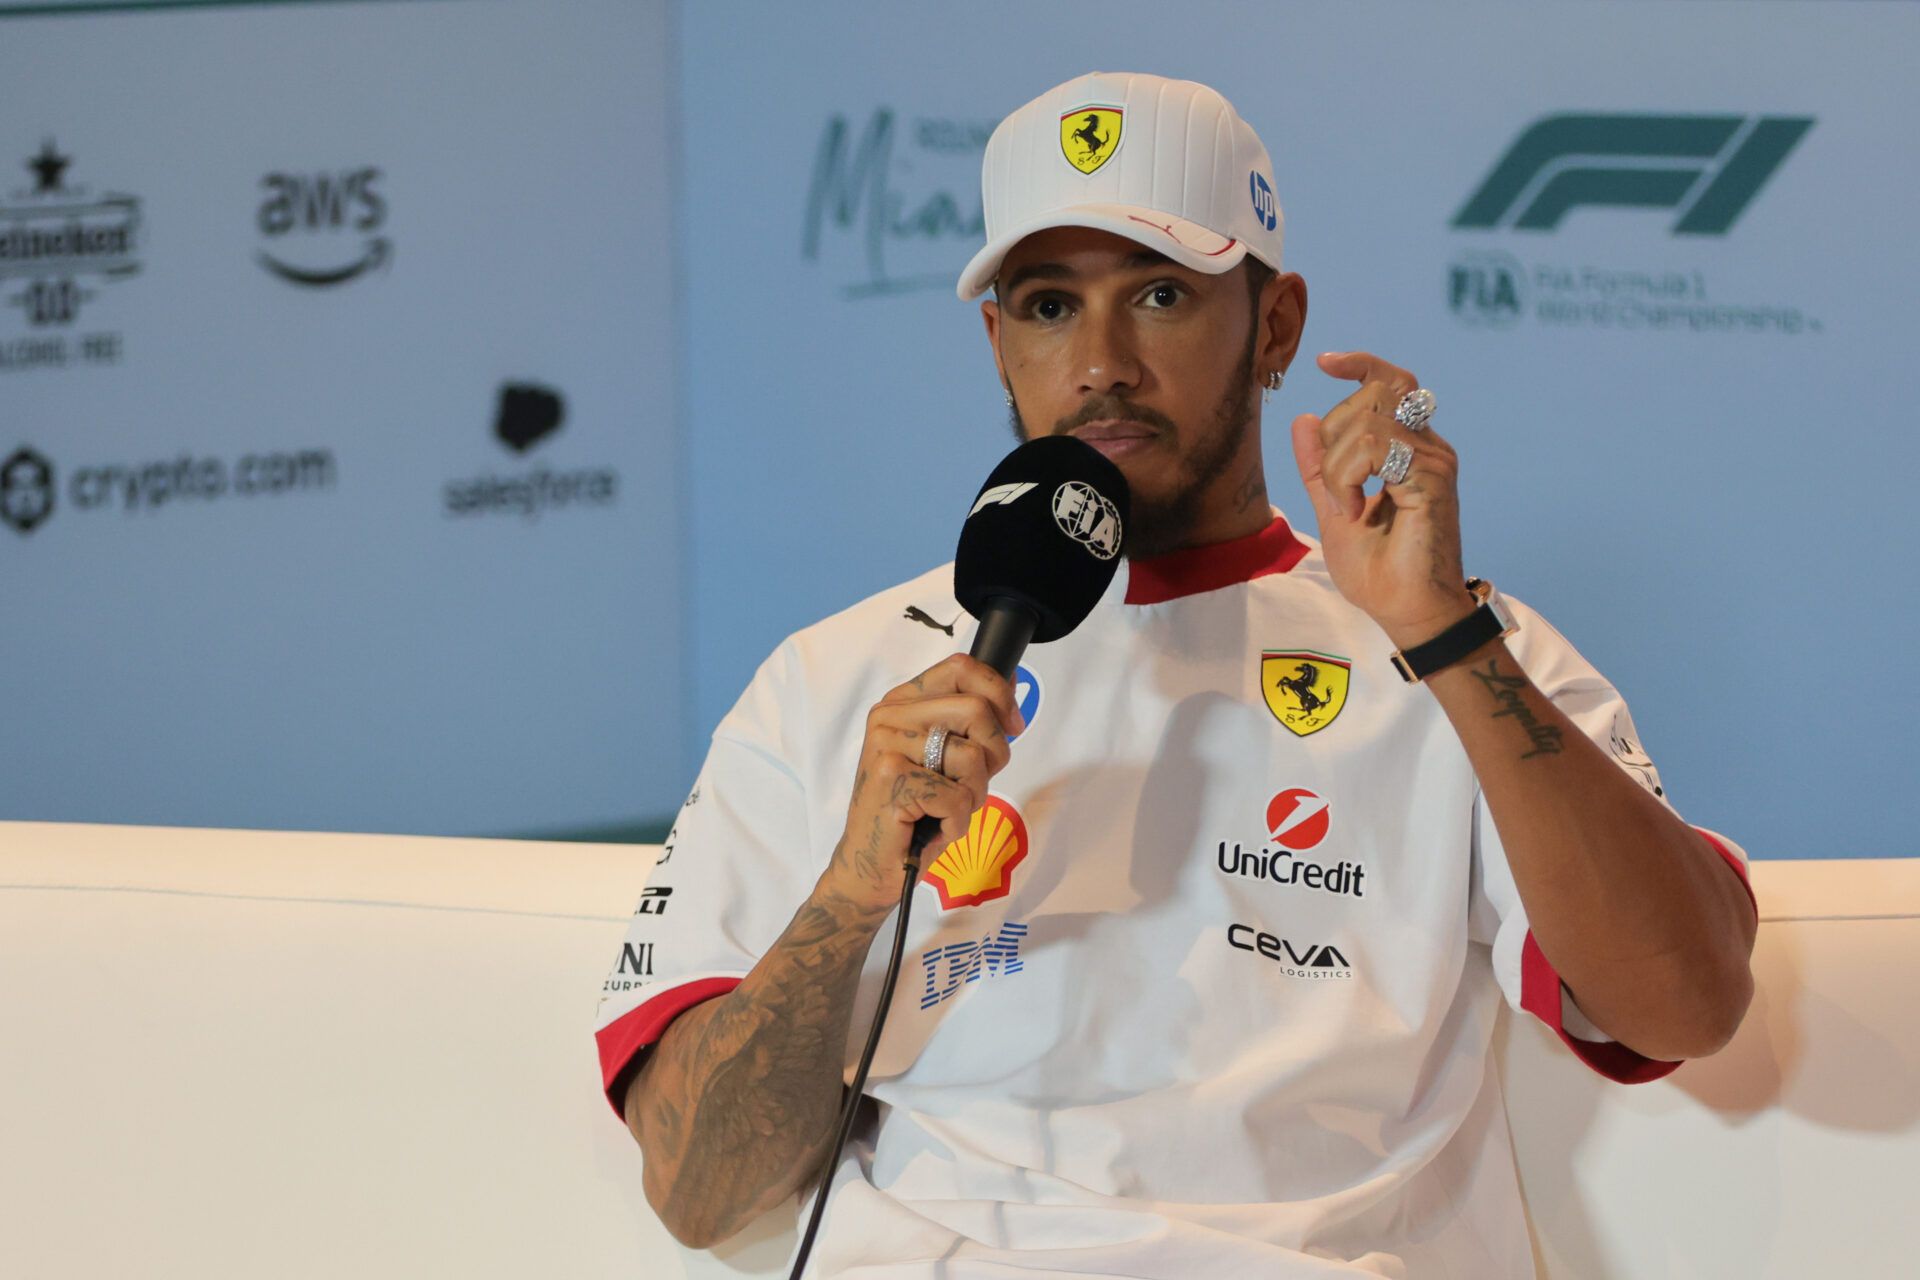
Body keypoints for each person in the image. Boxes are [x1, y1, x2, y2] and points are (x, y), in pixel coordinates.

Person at [595, 72, 1757, 1277]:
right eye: (1049, 305)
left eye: (1158, 295)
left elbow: (1689, 1003)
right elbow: (699, 1189)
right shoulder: (836, 677)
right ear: (997, 340)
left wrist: (1444, 634)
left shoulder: (1453, 641)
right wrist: (848, 888)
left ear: (1275, 327)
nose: (1101, 363)